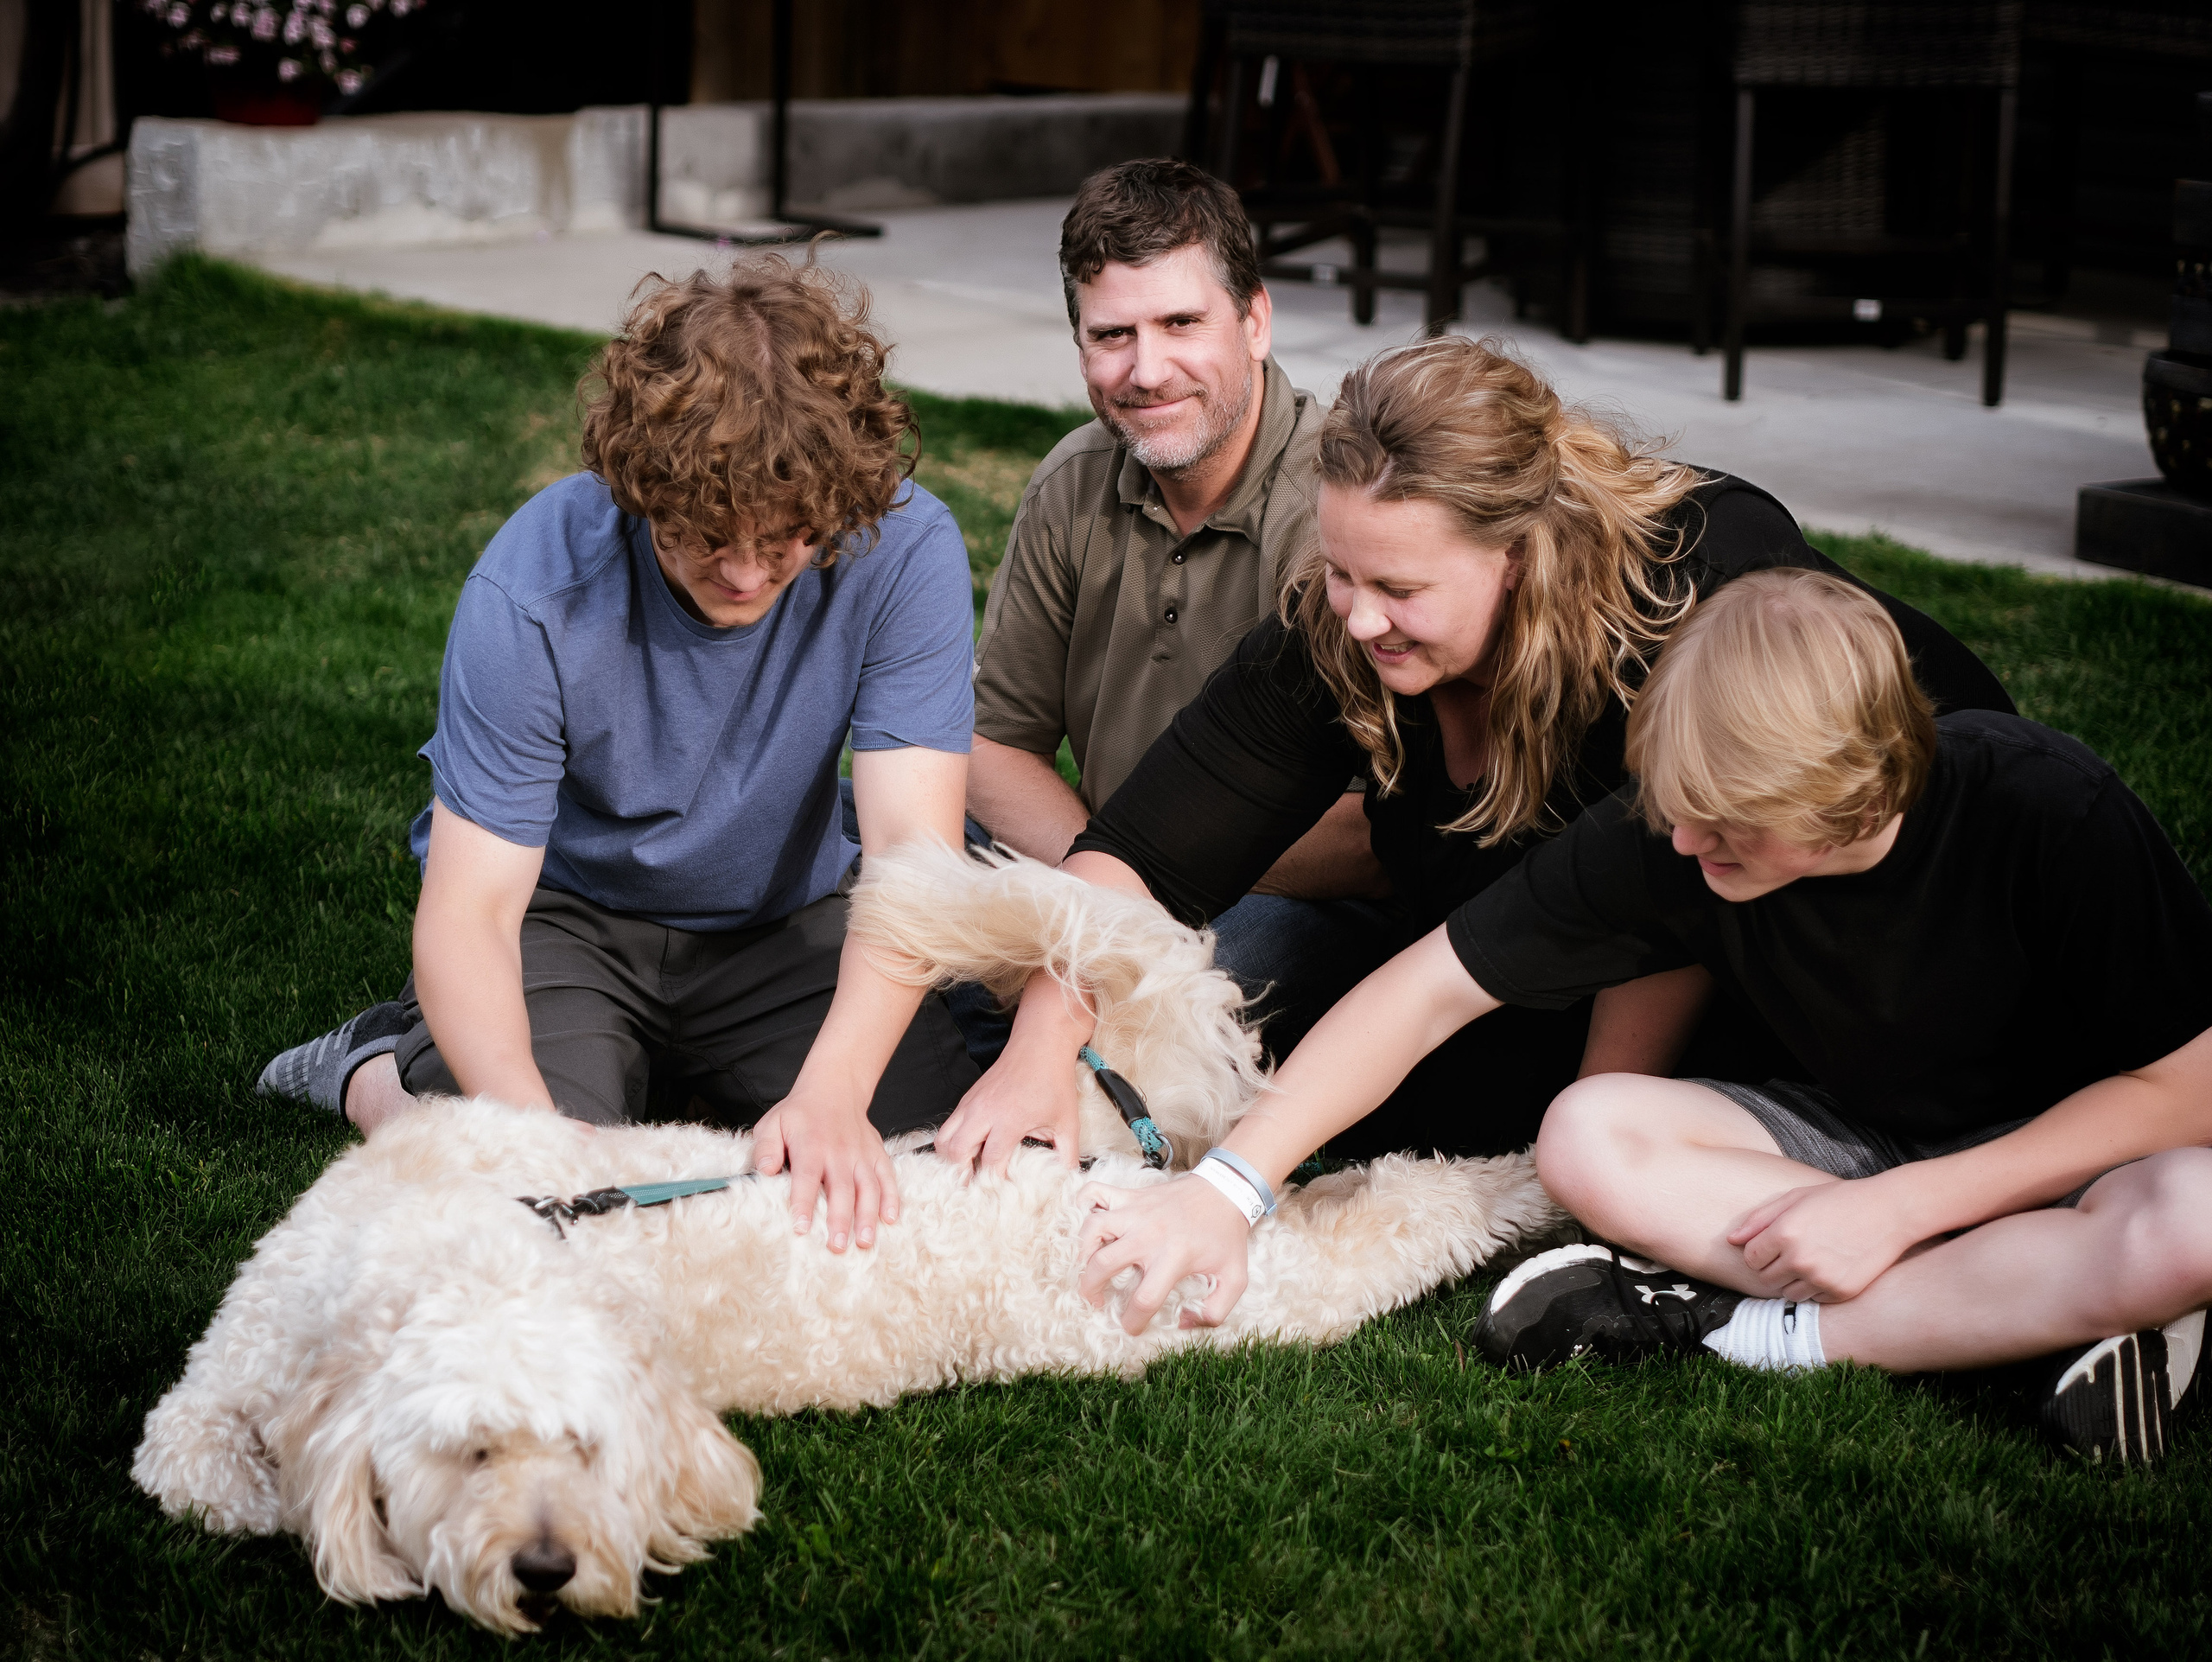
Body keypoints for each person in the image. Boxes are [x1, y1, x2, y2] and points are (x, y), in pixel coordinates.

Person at [1075, 569, 2212, 1464]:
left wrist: (1905, 1208)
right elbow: (1426, 990)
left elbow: (2189, 1088)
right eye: (1675, 806)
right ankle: (2028, 1311)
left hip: (2075, 1152)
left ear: (1856, 793)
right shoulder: (1680, 827)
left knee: (2193, 1225)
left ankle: (1771, 1332)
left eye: (1727, 823)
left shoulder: (2047, 807)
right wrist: (1229, 1189)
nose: (1685, 841)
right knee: (1586, 1134)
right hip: (1844, 1141)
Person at [943, 333, 2015, 1175]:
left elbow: (1672, 908)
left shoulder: (1683, 604)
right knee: (1326, 1083)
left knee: (1458, 1118)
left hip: (1826, 940)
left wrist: (1584, 1153)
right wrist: (1039, 1049)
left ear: (1520, 556)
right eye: (1341, 571)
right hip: (1540, 944)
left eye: (1400, 588)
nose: (1359, 617)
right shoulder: (1343, 621)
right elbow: (1141, 848)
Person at [255, 258, 979, 1256]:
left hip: (787, 924)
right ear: (641, 487)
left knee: (935, 1178)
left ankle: (691, 1080)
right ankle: (378, 1074)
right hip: (566, 921)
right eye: (705, 534)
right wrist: (530, 1135)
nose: (744, 572)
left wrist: (832, 1096)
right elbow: (472, 911)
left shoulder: (905, 548)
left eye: (787, 538)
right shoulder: (533, 587)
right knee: (539, 1207)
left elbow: (911, 855)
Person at [940, 156, 1388, 1102]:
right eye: (1112, 335)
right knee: (869, 859)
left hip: (1279, 897)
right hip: (1094, 861)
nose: (1146, 371)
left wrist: (1138, 891)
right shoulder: (1073, 480)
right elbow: (990, 743)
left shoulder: (1341, 507)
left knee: (1182, 997)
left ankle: (1035, 1062)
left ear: (1255, 321)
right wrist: (1108, 891)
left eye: (1181, 323)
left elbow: (1380, 830)